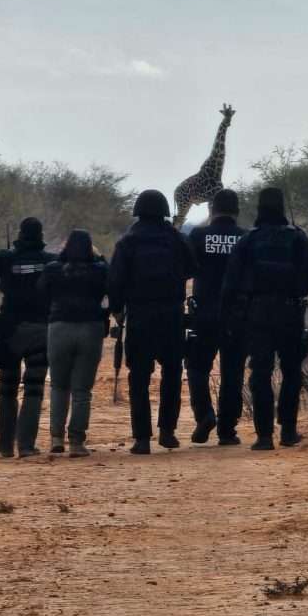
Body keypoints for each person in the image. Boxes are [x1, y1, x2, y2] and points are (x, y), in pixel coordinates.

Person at [223, 187, 308, 451]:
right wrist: (298, 288)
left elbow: (230, 283)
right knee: (291, 371)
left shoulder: (249, 240)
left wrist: (232, 316)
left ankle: (264, 436)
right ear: (281, 207)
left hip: (257, 316)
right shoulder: (297, 237)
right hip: (290, 312)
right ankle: (288, 431)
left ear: (259, 208)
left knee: (261, 374)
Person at [109, 189, 197, 454]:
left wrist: (117, 310)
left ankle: (142, 438)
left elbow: (115, 281)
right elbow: (193, 268)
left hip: (140, 315)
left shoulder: (128, 241)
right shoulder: (176, 238)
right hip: (171, 315)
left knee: (139, 377)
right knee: (172, 373)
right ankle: (167, 431)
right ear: (164, 211)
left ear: (138, 210)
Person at [0, 217, 57, 458]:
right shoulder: (50, 261)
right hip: (40, 331)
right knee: (34, 389)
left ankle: (4, 442)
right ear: (41, 235)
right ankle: (26, 445)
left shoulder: (6, 258)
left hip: (10, 331)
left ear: (20, 234)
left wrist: (5, 254)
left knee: (7, 388)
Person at [38, 229, 108, 458]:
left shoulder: (53, 269)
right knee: (82, 390)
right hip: (90, 329)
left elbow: (41, 293)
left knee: (58, 386)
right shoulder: (99, 270)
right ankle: (77, 441)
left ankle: (56, 438)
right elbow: (113, 291)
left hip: (59, 328)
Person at [185, 188, 247, 445]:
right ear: (237, 211)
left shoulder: (198, 236)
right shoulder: (245, 238)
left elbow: (186, 269)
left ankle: (204, 415)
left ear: (211, 210)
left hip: (203, 314)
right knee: (233, 372)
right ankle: (227, 429)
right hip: (237, 315)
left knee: (197, 367)